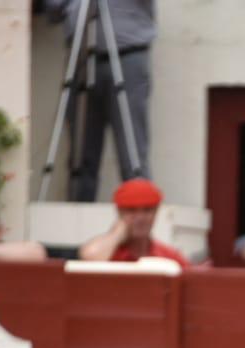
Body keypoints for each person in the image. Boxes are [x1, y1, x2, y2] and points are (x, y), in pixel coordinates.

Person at [45, 0, 157, 203]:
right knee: (80, 154)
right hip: (80, 59)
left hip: (127, 54)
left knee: (132, 152)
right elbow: (53, 10)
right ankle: (78, 218)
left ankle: (139, 212)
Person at [77, 177, 189, 267]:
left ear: (156, 212)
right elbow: (89, 257)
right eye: (131, 210)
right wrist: (116, 233)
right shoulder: (108, 253)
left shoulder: (170, 257)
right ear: (119, 213)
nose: (140, 217)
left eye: (147, 210)